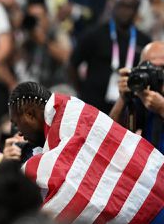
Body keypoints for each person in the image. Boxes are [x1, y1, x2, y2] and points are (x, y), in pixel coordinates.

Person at [9, 81, 164, 223]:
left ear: (30, 114)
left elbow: (64, 185)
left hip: (150, 201)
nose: (19, 133)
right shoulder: (73, 110)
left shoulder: (73, 114)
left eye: (17, 124)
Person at [70, 0, 150, 114]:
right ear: (114, 6)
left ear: (136, 11)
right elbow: (73, 64)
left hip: (129, 108)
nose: (126, 11)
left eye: (130, 7)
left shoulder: (143, 40)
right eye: (122, 5)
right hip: (94, 105)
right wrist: (82, 90)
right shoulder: (95, 34)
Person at [109, 41, 164, 153]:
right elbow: (110, 136)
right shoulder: (142, 96)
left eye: (162, 68)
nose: (157, 74)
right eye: (150, 68)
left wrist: (162, 108)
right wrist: (123, 98)